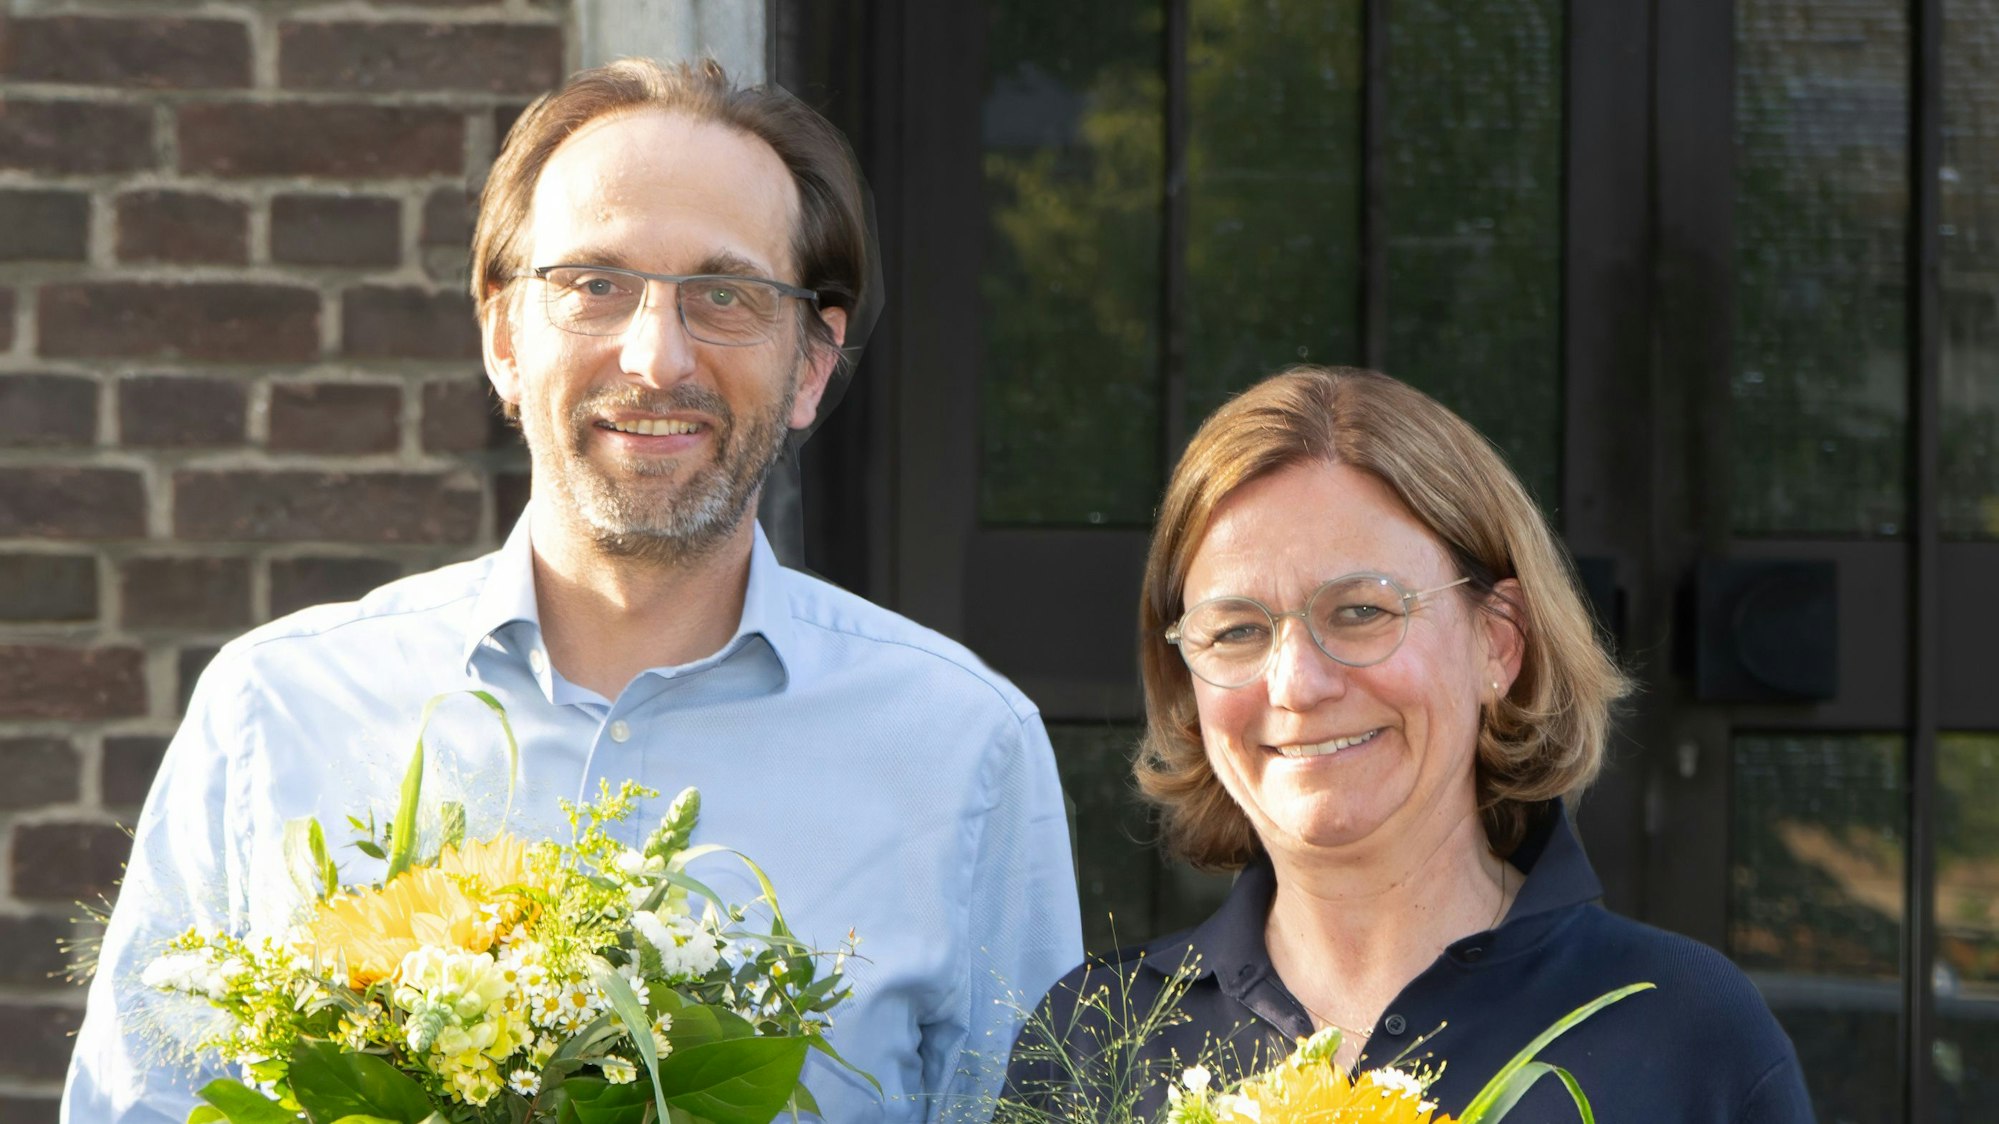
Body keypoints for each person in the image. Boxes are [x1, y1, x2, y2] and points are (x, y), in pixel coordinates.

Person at [65, 58, 1082, 1123]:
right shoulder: (272, 718)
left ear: (813, 361)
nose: (655, 356)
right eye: (595, 284)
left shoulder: (964, 747)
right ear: (504, 334)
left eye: (724, 295)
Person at [1006, 366, 1813, 1121]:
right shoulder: (1095, 1039)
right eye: (1237, 629)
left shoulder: (1681, 1030)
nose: (1295, 685)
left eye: (1360, 611)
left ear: (1498, 642)